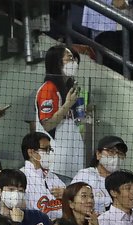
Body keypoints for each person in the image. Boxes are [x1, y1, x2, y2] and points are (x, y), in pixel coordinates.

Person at [33, 46, 86, 179]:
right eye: (69, 58)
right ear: (57, 62)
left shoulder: (68, 88)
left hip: (71, 164)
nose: (74, 63)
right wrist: (68, 104)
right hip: (55, 166)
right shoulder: (48, 89)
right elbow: (47, 124)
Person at [71, 135, 128, 216]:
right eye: (111, 151)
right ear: (98, 154)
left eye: (120, 154)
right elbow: (72, 202)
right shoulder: (85, 175)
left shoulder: (124, 181)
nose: (116, 157)